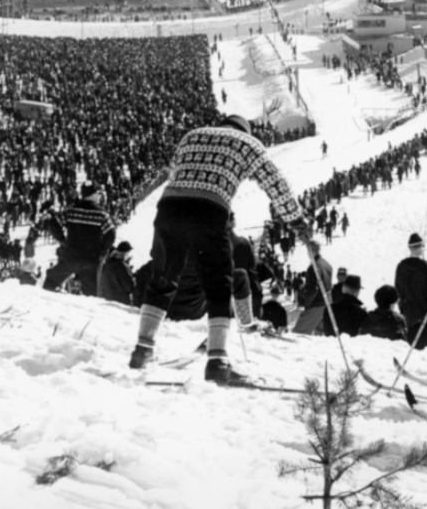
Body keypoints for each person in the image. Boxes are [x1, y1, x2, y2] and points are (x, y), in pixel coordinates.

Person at [128, 114, 312, 385]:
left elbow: (174, 169)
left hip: (170, 208)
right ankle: (217, 360)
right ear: (245, 130)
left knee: (163, 279)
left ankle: (142, 349)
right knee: (218, 285)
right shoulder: (246, 142)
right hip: (209, 209)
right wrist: (296, 220)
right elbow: (276, 183)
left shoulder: (193, 135)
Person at [43, 181, 116, 297]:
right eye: (98, 194)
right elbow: (111, 235)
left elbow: (53, 223)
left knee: (50, 282)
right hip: (91, 259)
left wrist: (63, 241)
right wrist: (102, 250)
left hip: (70, 257)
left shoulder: (71, 210)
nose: (99, 196)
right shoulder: (102, 214)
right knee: (90, 294)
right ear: (94, 194)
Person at [395, 233, 427, 332]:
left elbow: (398, 290)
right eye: (422, 246)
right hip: (424, 310)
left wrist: (402, 309)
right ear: (419, 248)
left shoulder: (401, 266)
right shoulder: (425, 266)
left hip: (408, 311)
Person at [291, 240, 333, 335]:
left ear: (310, 251)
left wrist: (306, 302)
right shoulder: (327, 264)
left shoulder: (313, 267)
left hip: (316, 305)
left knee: (299, 332)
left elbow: (313, 290)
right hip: (327, 304)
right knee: (319, 334)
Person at [99, 241, 136, 306]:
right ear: (125, 253)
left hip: (108, 301)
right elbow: (129, 287)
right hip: (121, 303)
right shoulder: (122, 267)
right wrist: (132, 277)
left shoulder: (107, 264)